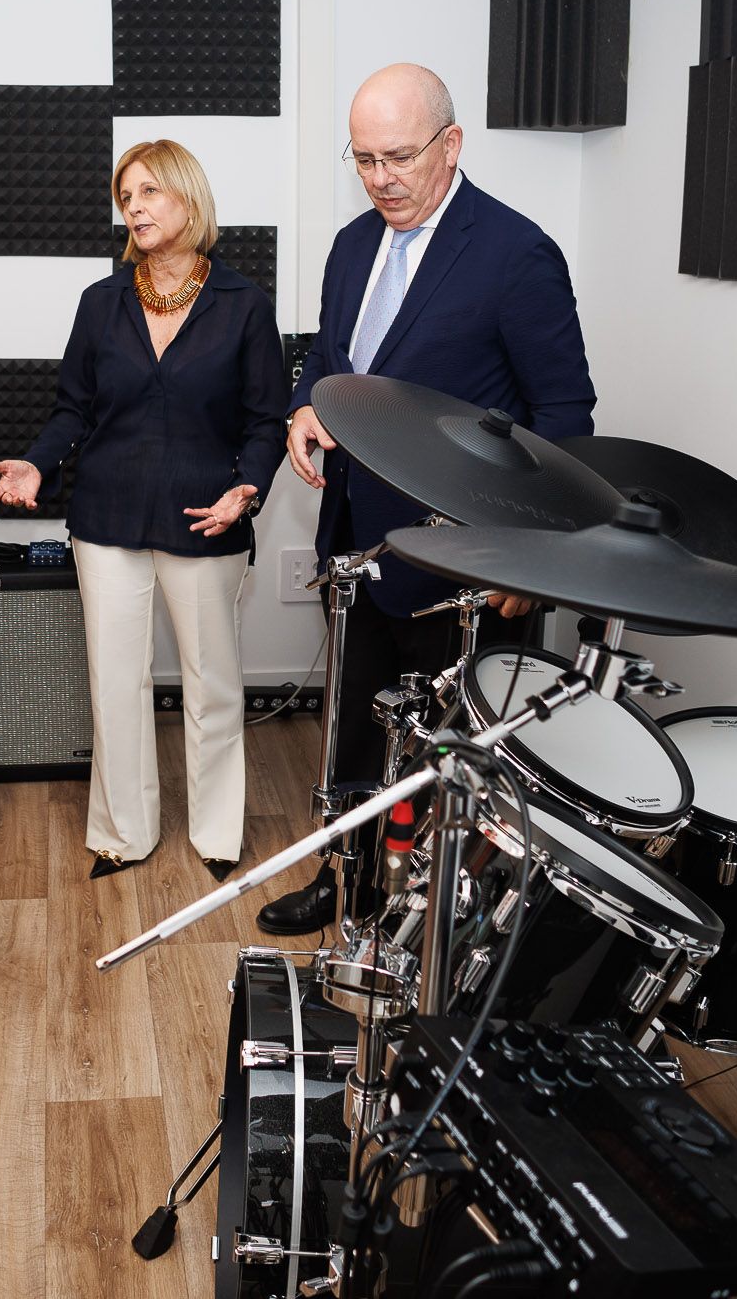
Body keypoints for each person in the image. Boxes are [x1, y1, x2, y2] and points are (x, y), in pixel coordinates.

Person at [257, 64, 598, 936]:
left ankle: (441, 933)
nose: (381, 178)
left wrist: (535, 553)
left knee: (453, 765)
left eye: (399, 156)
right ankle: (349, 884)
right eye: (364, 158)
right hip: (361, 551)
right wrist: (305, 402)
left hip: (473, 567)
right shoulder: (348, 245)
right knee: (357, 738)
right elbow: (327, 358)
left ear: (451, 144)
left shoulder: (518, 254)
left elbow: (565, 417)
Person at [0, 140, 283, 883]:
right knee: (115, 681)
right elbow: (71, 410)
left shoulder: (244, 303)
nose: (136, 206)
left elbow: (265, 421)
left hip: (206, 517)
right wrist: (37, 461)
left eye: (150, 190)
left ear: (189, 198)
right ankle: (123, 831)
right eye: (127, 196)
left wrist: (247, 486)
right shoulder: (101, 302)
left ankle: (217, 834)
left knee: (212, 683)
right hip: (107, 516)